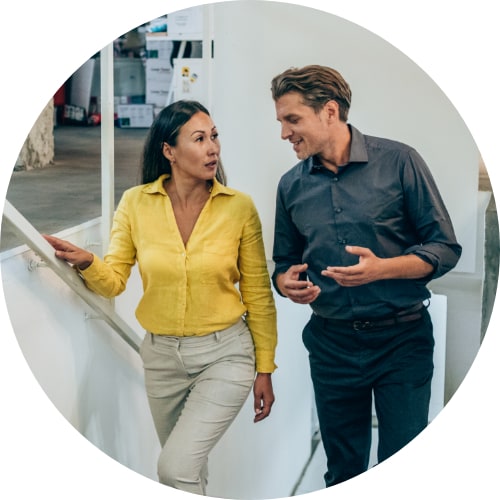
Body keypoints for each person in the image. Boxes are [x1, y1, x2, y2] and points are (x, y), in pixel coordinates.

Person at [43, 100, 278, 496]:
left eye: (214, 137)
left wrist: (266, 368)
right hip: (162, 360)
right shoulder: (136, 203)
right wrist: (87, 263)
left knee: (174, 467)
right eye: (199, 138)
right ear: (169, 151)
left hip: (226, 355)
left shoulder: (239, 208)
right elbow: (116, 279)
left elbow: (257, 292)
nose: (212, 148)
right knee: (188, 475)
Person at [270, 65, 462, 487]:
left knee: (401, 465)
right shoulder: (291, 186)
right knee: (342, 470)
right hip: (331, 345)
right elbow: (283, 261)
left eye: (292, 120)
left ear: (330, 112)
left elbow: (445, 248)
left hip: (402, 342)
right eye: (281, 122)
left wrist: (383, 269)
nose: (284, 133)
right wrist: (286, 283)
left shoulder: (400, 162)